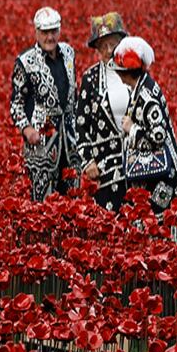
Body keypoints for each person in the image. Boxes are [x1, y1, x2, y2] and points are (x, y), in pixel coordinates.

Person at [111, 36, 177, 214]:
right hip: (155, 173)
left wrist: (133, 129)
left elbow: (158, 135)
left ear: (126, 73)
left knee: (162, 227)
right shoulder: (141, 87)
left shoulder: (146, 97)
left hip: (164, 174)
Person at [10, 7, 79, 201]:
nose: (50, 37)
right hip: (41, 141)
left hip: (70, 140)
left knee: (73, 199)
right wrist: (27, 129)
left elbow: (74, 92)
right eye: (45, 32)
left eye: (54, 31)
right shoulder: (25, 62)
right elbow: (16, 104)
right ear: (36, 32)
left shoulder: (69, 53)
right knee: (42, 202)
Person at [75, 12, 130, 211]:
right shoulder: (90, 79)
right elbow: (80, 124)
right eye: (103, 46)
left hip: (136, 166)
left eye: (113, 44)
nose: (109, 51)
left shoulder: (135, 71)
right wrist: (87, 161)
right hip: (104, 169)